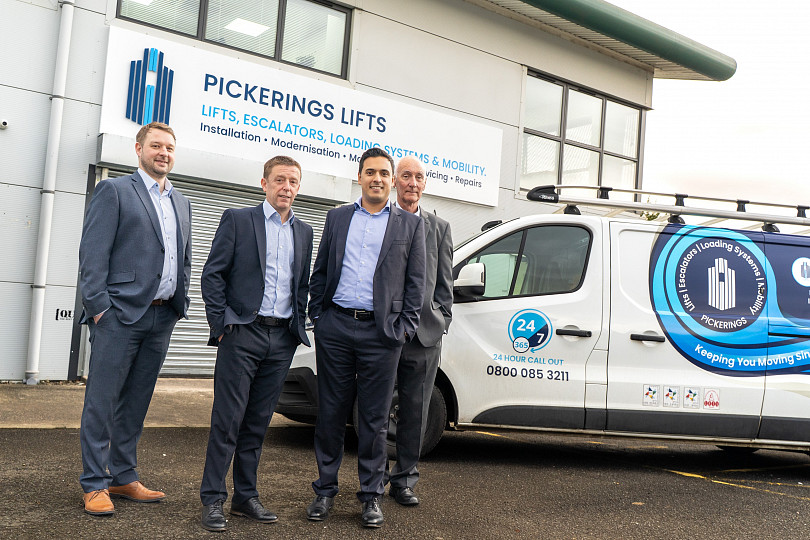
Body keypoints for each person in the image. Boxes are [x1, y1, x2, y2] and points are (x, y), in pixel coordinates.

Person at [306, 147, 426, 528]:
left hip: (382, 335)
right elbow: (321, 270)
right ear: (359, 177)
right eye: (370, 172)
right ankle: (325, 490)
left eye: (384, 173)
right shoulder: (338, 217)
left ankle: (371, 495)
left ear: (392, 181)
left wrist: (403, 329)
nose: (377, 179)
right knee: (330, 413)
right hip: (336, 328)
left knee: (374, 419)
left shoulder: (410, 226)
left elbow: (416, 285)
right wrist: (318, 317)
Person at [78, 121, 192, 516]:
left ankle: (123, 475)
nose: (164, 153)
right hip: (119, 316)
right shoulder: (115, 191)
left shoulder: (181, 201)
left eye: (170, 148)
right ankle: (94, 482)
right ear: (139, 149)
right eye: (156, 146)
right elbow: (92, 255)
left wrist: (178, 304)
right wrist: (100, 310)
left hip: (161, 317)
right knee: (102, 401)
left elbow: (181, 257)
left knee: (136, 402)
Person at [198, 156, 313, 532]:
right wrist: (222, 325)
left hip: (281, 340)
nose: (286, 187)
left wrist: (297, 327)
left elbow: (301, 285)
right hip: (242, 334)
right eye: (279, 180)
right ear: (264, 183)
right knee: (227, 420)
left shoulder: (304, 231)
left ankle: (245, 497)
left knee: (258, 422)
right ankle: (213, 499)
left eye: (293, 181)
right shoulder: (238, 219)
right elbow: (213, 274)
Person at [386, 156, 453, 506]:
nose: (413, 183)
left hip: (424, 337)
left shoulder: (439, 228)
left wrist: (441, 320)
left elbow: (445, 284)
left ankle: (404, 481)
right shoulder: (382, 220)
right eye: (406, 176)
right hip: (383, 333)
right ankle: (375, 476)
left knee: (416, 411)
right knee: (377, 410)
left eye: (419, 177)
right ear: (395, 181)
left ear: (425, 184)